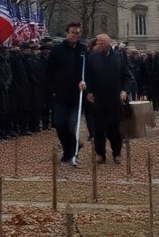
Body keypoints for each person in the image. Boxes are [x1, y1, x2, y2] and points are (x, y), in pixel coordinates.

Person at [84, 34, 132, 163]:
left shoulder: (118, 56)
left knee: (113, 127)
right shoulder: (91, 57)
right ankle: (100, 153)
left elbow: (127, 76)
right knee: (98, 128)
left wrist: (124, 91)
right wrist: (87, 92)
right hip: (96, 98)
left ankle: (117, 152)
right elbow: (85, 78)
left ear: (108, 44)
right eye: (98, 43)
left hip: (114, 98)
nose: (98, 45)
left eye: (101, 43)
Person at [46, 22, 90, 165]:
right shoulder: (56, 50)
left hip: (77, 95)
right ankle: (72, 146)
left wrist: (85, 83)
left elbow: (88, 71)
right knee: (59, 123)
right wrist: (51, 89)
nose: (75, 35)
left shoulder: (83, 50)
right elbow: (49, 72)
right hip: (60, 94)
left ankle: (69, 152)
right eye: (72, 32)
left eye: (77, 33)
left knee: (72, 125)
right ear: (67, 32)